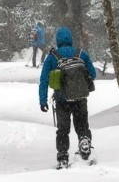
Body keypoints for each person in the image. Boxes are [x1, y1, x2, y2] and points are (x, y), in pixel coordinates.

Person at [39, 26, 97, 168]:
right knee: (82, 125)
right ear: (71, 38)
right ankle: (84, 142)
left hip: (61, 99)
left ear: (58, 39)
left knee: (63, 130)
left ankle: (63, 157)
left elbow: (44, 80)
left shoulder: (52, 57)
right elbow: (93, 74)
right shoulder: (80, 53)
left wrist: (43, 100)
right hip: (80, 98)